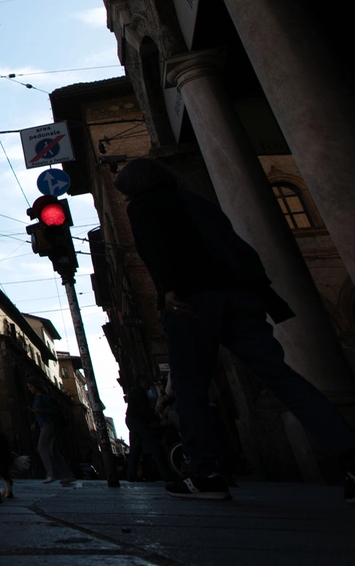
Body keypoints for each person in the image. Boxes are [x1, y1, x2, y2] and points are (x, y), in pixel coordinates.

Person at [115, 157, 355, 502]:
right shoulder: (198, 201)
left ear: (134, 188)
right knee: (281, 377)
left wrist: (169, 288)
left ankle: (205, 474)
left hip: (190, 300)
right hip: (239, 297)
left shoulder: (142, 207)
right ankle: (350, 455)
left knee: (190, 388)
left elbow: (157, 250)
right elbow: (236, 247)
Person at [125, 376, 176, 481]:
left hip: (132, 420)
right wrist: (157, 421)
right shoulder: (139, 392)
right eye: (147, 382)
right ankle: (166, 473)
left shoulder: (136, 391)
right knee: (154, 446)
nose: (149, 385)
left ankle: (131, 474)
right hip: (138, 421)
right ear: (142, 381)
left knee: (135, 448)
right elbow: (146, 410)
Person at [27, 379, 76, 485]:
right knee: (53, 450)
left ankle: (52, 474)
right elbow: (39, 413)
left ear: (36, 386)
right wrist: (35, 423)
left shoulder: (44, 397)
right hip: (43, 424)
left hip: (49, 425)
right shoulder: (36, 399)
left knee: (42, 447)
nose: (29, 389)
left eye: (30, 386)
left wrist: (40, 411)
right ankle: (67, 475)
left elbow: (54, 410)